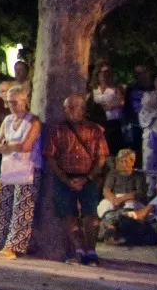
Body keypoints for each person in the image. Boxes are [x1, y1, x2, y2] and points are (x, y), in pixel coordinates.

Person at [46, 94, 110, 264]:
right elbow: (51, 157)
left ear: (83, 109)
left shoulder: (95, 130)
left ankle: (91, 250)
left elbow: (101, 157)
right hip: (65, 177)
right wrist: (65, 179)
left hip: (88, 178)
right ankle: (78, 249)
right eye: (66, 108)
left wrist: (87, 178)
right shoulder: (58, 130)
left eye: (72, 107)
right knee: (67, 215)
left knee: (90, 215)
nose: (68, 111)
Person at [0, 83, 41, 260]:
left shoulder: (33, 121)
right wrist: (11, 147)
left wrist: (7, 147)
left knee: (21, 208)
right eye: (9, 102)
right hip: (9, 168)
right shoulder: (7, 120)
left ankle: (14, 245)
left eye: (15, 102)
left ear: (24, 101)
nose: (11, 106)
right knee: (5, 205)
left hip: (27, 169)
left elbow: (26, 146)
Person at [98, 148, 153, 246]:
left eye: (126, 161)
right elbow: (106, 190)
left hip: (131, 200)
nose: (123, 164)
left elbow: (139, 193)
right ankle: (113, 223)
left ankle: (111, 227)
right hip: (114, 199)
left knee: (130, 205)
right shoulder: (113, 174)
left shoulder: (138, 176)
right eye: (121, 161)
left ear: (132, 162)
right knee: (104, 205)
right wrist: (114, 199)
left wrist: (121, 199)